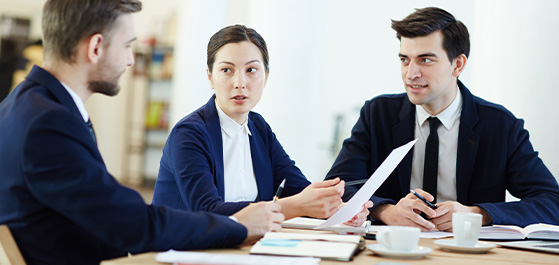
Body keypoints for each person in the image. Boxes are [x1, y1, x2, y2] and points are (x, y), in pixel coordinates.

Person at [0, 1, 284, 264]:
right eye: (127, 46)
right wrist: (239, 225)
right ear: (96, 47)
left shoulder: (23, 106)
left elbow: (109, 208)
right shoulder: (48, 123)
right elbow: (133, 223)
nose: (130, 60)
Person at [325, 7, 559, 232]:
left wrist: (477, 213)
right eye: (405, 59)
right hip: (393, 246)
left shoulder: (500, 126)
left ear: (458, 64)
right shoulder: (377, 114)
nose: (411, 73)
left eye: (425, 60)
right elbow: (339, 186)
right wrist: (387, 210)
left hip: (467, 253)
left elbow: (552, 203)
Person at [152, 25, 372, 224]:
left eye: (251, 70)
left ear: (266, 76)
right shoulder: (189, 134)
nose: (240, 83)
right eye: (227, 70)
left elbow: (297, 188)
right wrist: (299, 205)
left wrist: (340, 209)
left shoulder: (258, 128)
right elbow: (207, 212)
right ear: (210, 77)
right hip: (184, 251)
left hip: (242, 247)